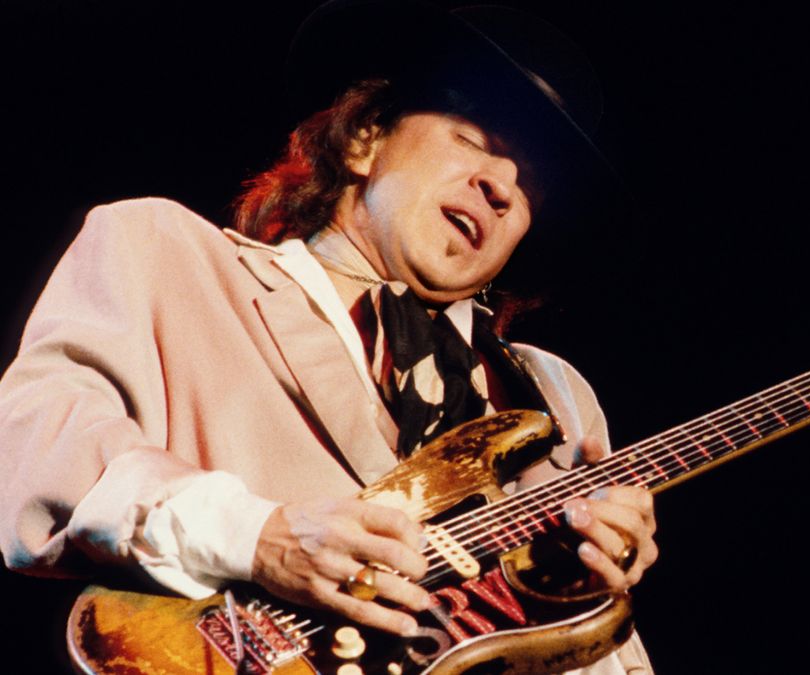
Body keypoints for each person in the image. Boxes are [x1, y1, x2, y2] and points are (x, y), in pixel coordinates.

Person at [0, 0, 655, 672]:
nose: (501, 187)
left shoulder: (555, 398)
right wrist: (260, 536)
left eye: (530, 186)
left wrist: (583, 595)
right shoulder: (164, 253)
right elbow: (35, 455)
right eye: (474, 140)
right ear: (364, 137)